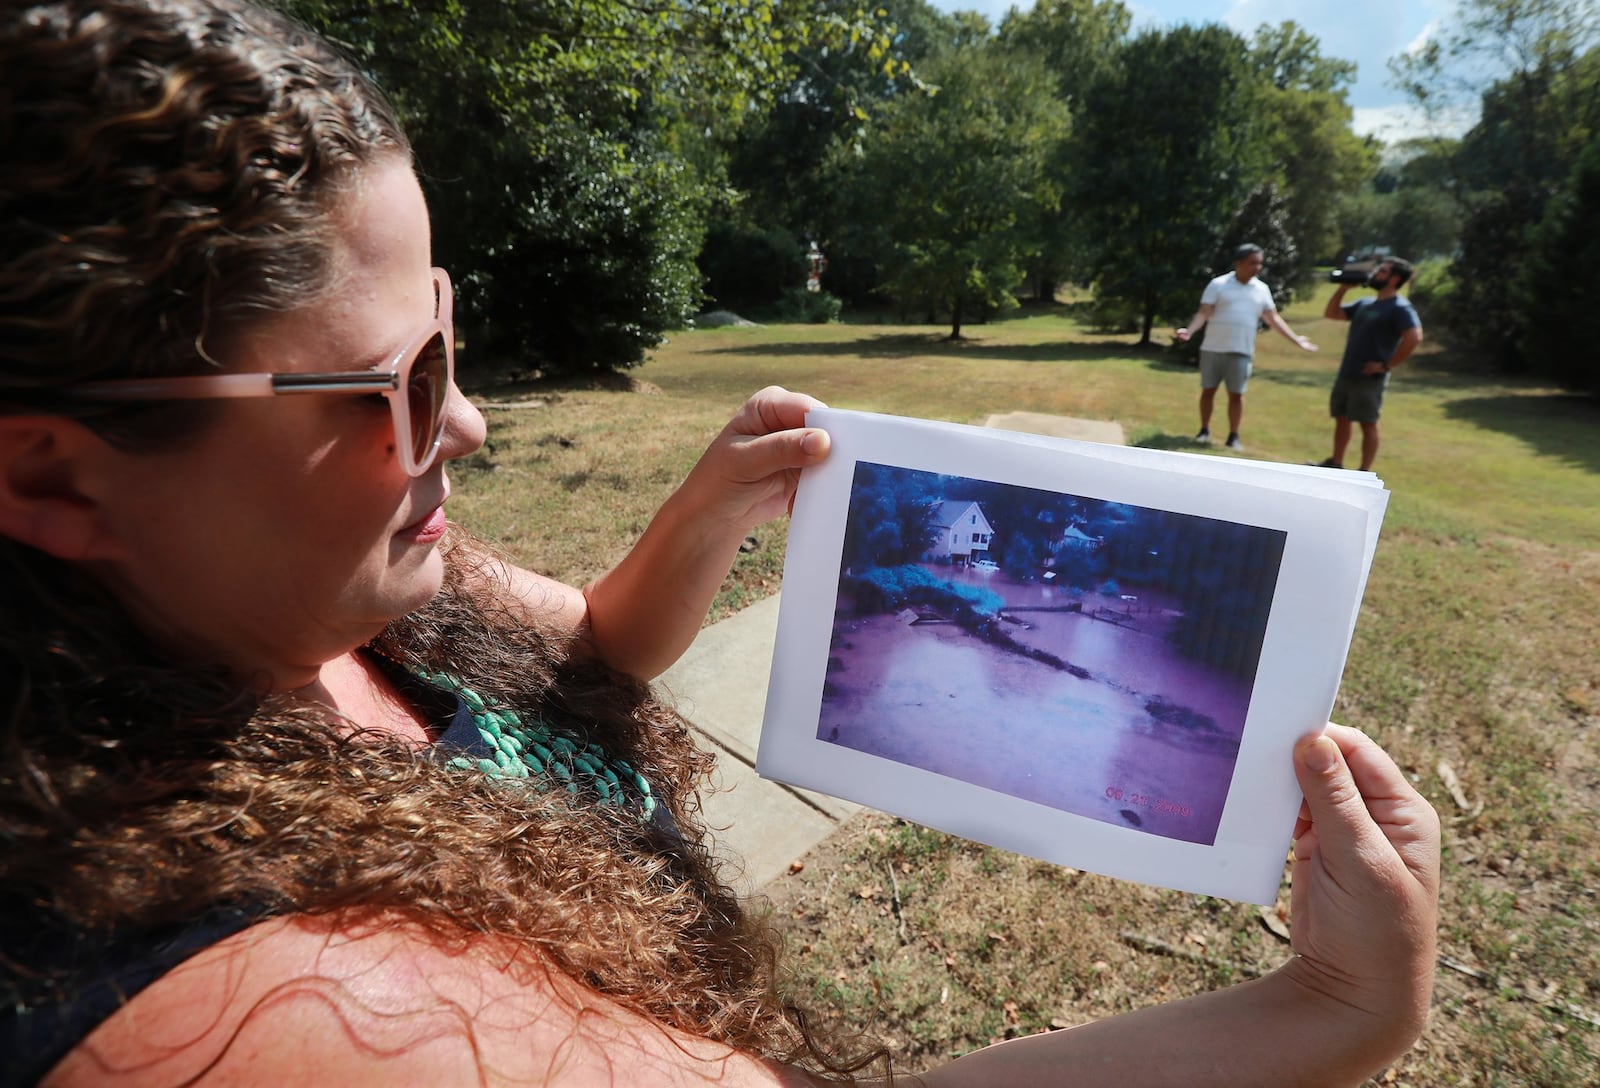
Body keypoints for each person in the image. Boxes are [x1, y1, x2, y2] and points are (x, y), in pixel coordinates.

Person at [0, 3, 1440, 1084]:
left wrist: (708, 507)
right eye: (401, 386)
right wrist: (1329, 1012)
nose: (472, 426)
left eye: (447, 331)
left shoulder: (291, 580)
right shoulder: (278, 1007)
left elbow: (590, 646)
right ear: (58, 481)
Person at [1175, 244, 1318, 452]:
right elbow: (1204, 312)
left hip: (1241, 350)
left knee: (1237, 395)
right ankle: (1204, 430)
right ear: (1238, 263)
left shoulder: (1261, 289)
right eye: (1253, 263)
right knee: (1208, 391)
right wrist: (1190, 331)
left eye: (1259, 263)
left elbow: (1273, 318)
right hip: (1213, 349)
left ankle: (1233, 436)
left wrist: (1296, 340)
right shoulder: (1218, 284)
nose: (1257, 267)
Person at [1317, 258, 1424, 472]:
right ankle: (1335, 463)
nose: (1375, 274)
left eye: (1382, 271)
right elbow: (1332, 313)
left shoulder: (1400, 307)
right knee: (1341, 417)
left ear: (1394, 279)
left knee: (1368, 423)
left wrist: (1386, 366)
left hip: (1369, 377)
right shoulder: (1365, 303)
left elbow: (1414, 337)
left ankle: (1364, 472)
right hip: (1348, 371)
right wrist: (1343, 289)